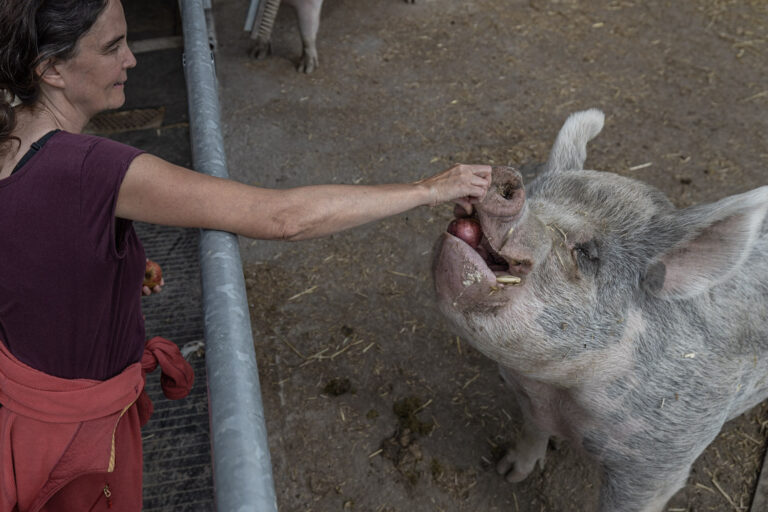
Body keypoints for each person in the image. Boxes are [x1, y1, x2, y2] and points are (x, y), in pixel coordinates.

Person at [0, 0, 491, 510]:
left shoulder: (9, 136)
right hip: (76, 447)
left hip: (20, 423)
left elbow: (32, 252)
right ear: (51, 68)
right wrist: (427, 189)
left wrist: (114, 274)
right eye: (111, 47)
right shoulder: (93, 168)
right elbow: (283, 218)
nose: (132, 59)